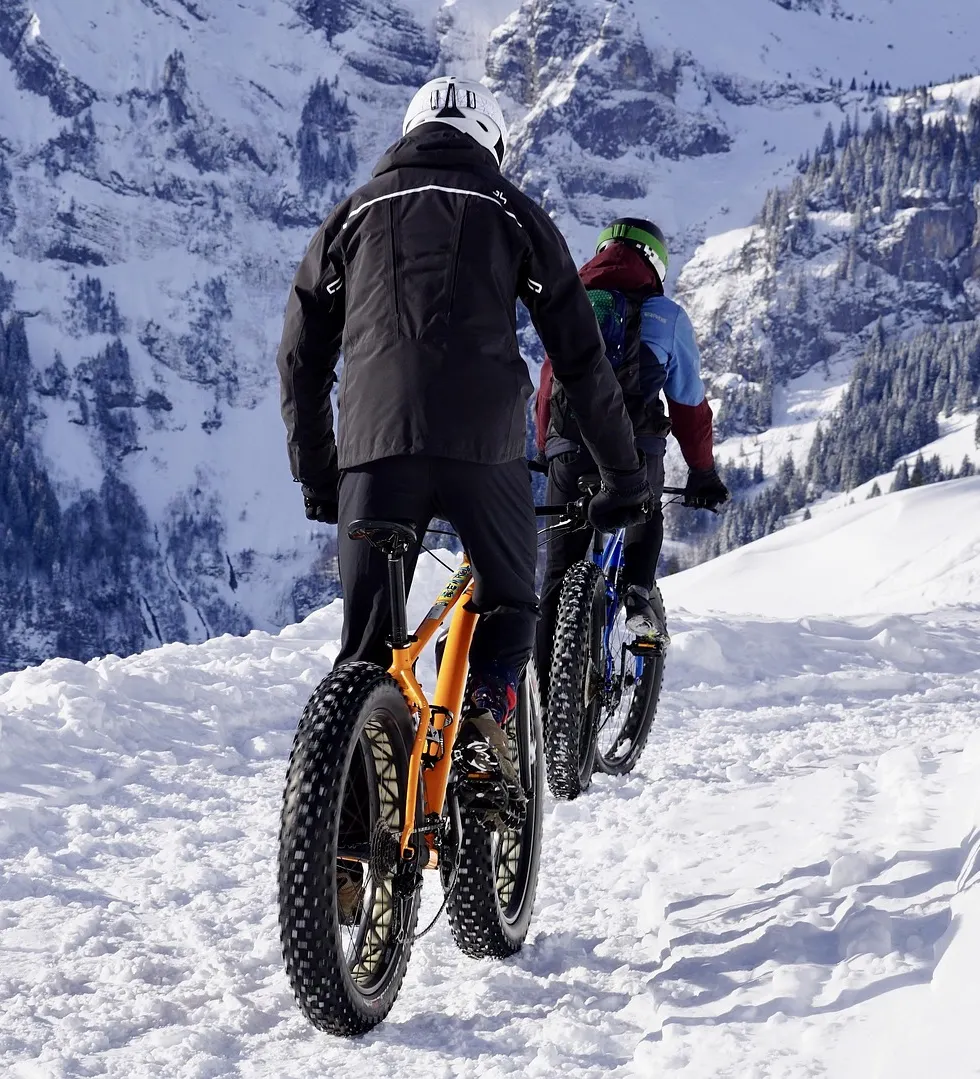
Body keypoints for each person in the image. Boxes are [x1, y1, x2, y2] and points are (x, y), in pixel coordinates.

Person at [276, 77, 649, 809]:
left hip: (374, 449)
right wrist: (623, 474)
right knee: (510, 601)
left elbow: (300, 357)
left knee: (366, 650)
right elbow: (580, 361)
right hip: (483, 447)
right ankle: (484, 722)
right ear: (493, 145)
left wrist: (320, 474)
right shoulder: (512, 210)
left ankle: (346, 835)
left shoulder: (351, 214)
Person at [535, 217, 729, 698]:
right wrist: (702, 472)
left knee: (558, 577)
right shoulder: (666, 316)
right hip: (636, 451)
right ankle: (639, 593)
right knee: (645, 511)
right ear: (655, 263)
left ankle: (542, 705)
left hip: (568, 451)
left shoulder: (572, 303)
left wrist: (548, 450)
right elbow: (689, 407)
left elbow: (546, 387)